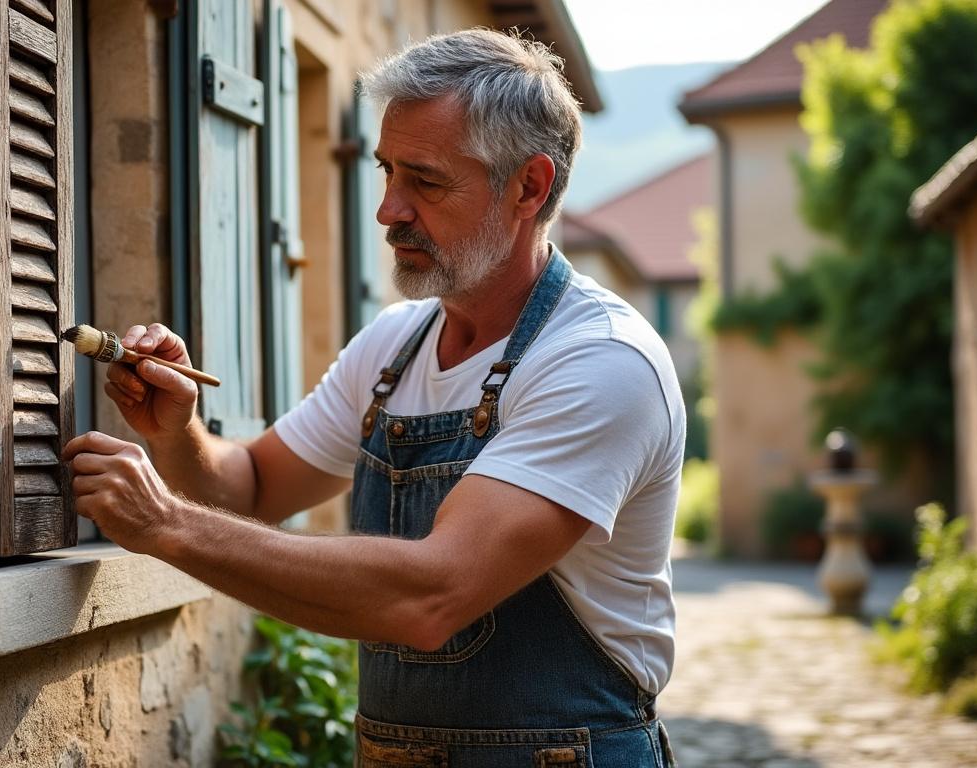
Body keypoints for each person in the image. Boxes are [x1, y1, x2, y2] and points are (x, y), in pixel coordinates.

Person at [62, 28, 683, 767]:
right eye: (387, 171)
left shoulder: (600, 362)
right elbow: (253, 487)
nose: (388, 209)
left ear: (530, 186)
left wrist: (165, 524)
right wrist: (178, 434)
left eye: (425, 180)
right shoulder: (393, 346)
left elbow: (432, 598)